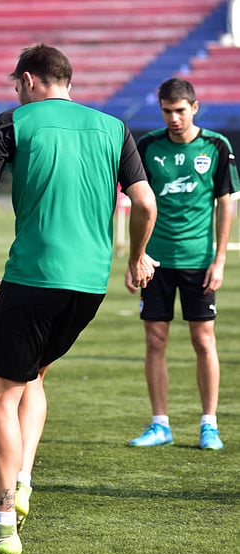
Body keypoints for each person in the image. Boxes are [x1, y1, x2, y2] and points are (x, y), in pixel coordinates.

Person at [0, 44, 158, 554]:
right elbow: (145, 202)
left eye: (15, 85)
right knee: (34, 376)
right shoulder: (114, 127)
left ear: (28, 80)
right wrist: (136, 257)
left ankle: (1, 526)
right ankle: (22, 479)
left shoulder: (14, 121)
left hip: (33, 278)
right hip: (88, 286)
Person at [127, 78, 238, 451]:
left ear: (194, 107)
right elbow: (136, 203)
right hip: (156, 261)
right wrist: (136, 256)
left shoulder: (216, 147)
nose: (174, 118)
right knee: (155, 340)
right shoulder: (148, 147)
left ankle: (210, 424)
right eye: (167, 111)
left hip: (198, 261)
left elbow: (226, 204)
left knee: (203, 339)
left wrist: (219, 259)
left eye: (180, 110)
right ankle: (161, 424)